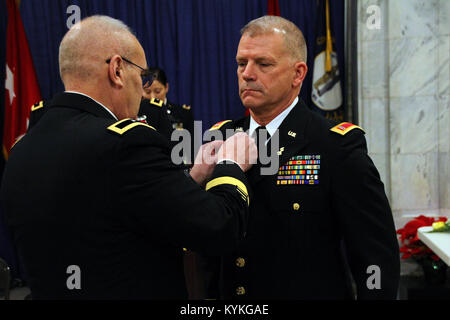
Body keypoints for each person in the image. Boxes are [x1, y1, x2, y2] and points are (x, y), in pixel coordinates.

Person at [0, 15, 257, 300]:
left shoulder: (22, 150)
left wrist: (191, 179)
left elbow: (115, 212)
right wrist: (231, 164)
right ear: (118, 69)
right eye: (142, 75)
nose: (144, 89)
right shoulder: (125, 142)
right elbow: (218, 227)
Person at [205, 16, 400, 300]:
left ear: (298, 74)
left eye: (263, 63)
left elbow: (374, 254)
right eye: (241, 63)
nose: (247, 73)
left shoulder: (334, 145)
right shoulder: (220, 138)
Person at [140, 67, 195, 164]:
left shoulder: (182, 114)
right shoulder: (138, 113)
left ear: (166, 87)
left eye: (157, 91)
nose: (152, 97)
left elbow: (191, 150)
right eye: (147, 92)